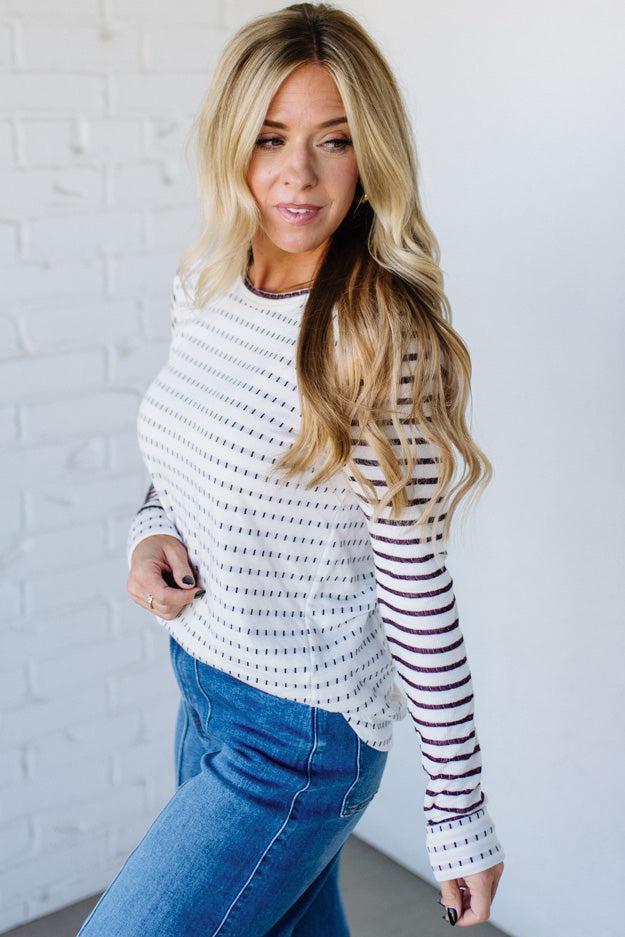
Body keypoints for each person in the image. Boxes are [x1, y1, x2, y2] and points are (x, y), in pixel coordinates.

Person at [76, 3, 504, 934]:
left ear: (371, 153)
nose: (297, 174)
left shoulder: (379, 333)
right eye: (270, 137)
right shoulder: (210, 281)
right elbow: (190, 462)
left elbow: (414, 584)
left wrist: (459, 814)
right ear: (233, 141)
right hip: (203, 685)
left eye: (333, 140)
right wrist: (152, 528)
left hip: (302, 736)